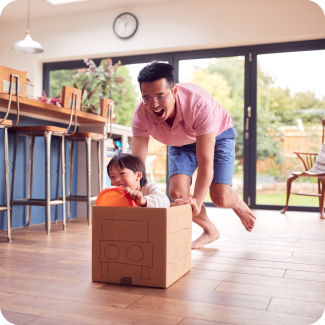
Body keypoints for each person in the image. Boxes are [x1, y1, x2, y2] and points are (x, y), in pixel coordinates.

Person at [131, 61, 256, 249]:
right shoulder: (141, 115)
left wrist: (196, 200)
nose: (154, 105)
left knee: (220, 198)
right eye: (147, 98)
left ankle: (236, 202)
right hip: (180, 143)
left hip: (218, 134)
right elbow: (137, 165)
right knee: (178, 194)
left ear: (174, 92)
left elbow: (205, 164)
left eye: (160, 96)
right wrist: (135, 193)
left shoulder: (198, 104)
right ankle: (210, 230)